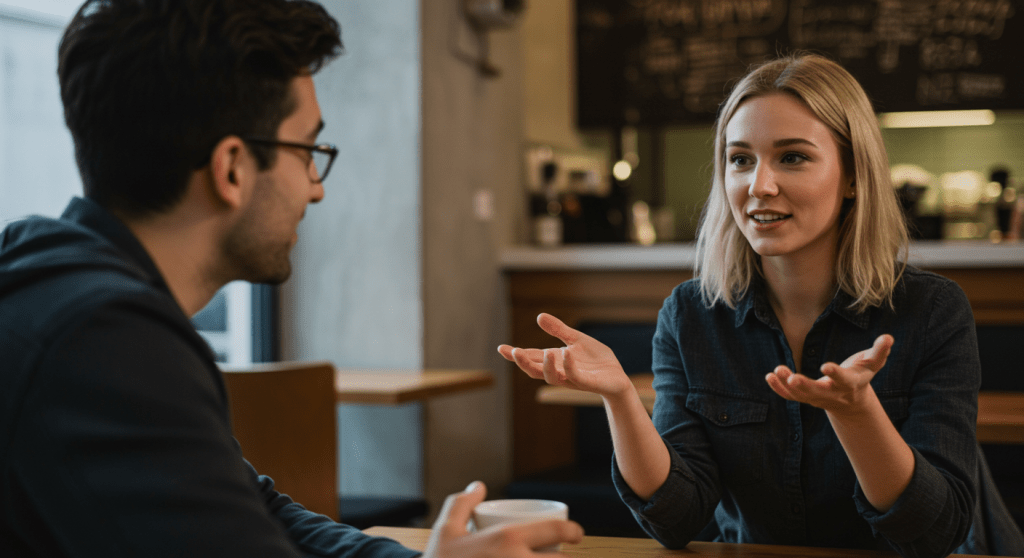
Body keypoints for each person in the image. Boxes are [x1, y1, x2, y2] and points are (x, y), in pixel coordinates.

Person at [0, 0, 583, 556]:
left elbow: (253, 511)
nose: (316, 185)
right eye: (306, 150)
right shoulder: (104, 343)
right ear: (231, 169)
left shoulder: (54, 282)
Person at [500, 54, 1023, 557]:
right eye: (740, 160)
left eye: (792, 157)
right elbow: (676, 518)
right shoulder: (690, 314)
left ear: (854, 175)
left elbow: (933, 535)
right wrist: (619, 399)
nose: (759, 185)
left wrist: (858, 416)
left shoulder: (932, 311)